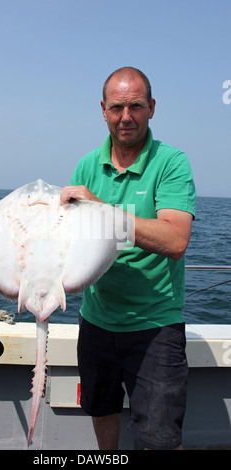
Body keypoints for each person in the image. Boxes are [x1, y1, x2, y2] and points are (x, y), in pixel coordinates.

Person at [60, 67, 196, 450]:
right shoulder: (87, 166)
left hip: (155, 326)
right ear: (102, 109)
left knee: (158, 437)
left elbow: (175, 240)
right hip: (96, 321)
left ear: (151, 108)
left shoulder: (171, 163)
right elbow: (73, 242)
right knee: (101, 409)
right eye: (117, 107)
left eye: (135, 106)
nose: (126, 117)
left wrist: (102, 209)